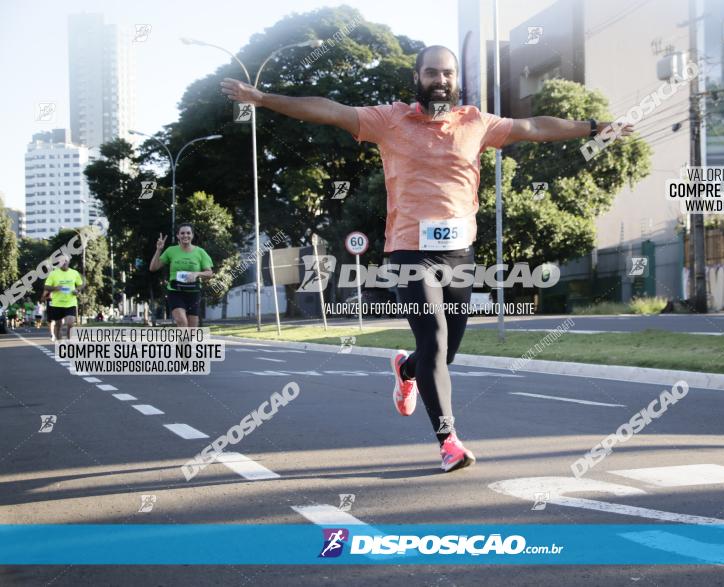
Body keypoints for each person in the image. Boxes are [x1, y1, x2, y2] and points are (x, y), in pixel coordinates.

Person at [221, 45, 633, 472]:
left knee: (445, 352)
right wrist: (264, 99)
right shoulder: (389, 120)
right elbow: (330, 110)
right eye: (432, 73)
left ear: (457, 80)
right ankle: (449, 441)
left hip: (459, 254)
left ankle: (405, 370)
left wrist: (594, 127)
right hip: (408, 251)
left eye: (448, 74)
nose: (441, 80)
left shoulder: (477, 122)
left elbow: (533, 126)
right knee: (434, 341)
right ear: (417, 77)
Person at [149, 223, 214, 327]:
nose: (185, 235)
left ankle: (182, 344)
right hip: (176, 292)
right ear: (178, 236)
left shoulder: (200, 252)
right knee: (182, 321)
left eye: (188, 233)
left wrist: (197, 273)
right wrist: (159, 249)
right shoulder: (171, 250)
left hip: (193, 293)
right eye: (182, 233)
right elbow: (153, 268)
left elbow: (209, 273)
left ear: (192, 235)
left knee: (192, 331)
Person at [44, 256, 84, 341]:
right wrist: (55, 288)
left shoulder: (74, 273)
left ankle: (69, 342)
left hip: (70, 303)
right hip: (57, 304)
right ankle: (59, 343)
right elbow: (46, 286)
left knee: (70, 323)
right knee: (58, 325)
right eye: (62, 261)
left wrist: (77, 290)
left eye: (66, 260)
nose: (64, 262)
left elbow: (81, 284)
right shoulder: (53, 274)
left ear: (69, 262)